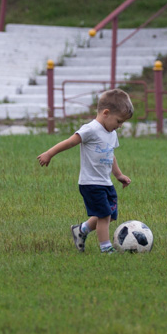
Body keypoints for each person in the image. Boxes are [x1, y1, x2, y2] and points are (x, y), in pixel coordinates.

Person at [37, 89, 133, 254]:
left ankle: (81, 229)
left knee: (110, 215)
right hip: (90, 183)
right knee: (104, 216)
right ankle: (106, 248)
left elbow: (110, 155)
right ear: (106, 113)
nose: (120, 126)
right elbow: (69, 142)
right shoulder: (91, 129)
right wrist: (49, 153)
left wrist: (118, 175)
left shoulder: (111, 133)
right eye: (118, 121)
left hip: (105, 182)